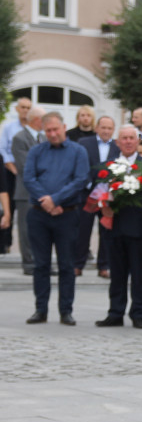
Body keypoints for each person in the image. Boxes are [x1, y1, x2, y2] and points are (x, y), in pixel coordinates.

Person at [23, 112, 89, 325]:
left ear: (64, 127)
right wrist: (46, 201)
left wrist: (56, 200)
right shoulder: (36, 151)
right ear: (44, 130)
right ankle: (40, 309)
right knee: (40, 265)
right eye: (48, 130)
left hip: (67, 215)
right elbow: (29, 178)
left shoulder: (78, 151)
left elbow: (80, 180)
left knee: (66, 265)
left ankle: (65, 311)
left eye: (55, 129)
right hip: (38, 215)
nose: (52, 134)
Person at [95, 126, 142, 330]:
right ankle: (115, 312)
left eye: (132, 138)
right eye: (124, 138)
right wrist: (103, 207)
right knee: (117, 274)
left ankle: (138, 313)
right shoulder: (108, 167)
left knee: (139, 275)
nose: (128, 142)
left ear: (137, 141)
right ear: (118, 142)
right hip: (114, 229)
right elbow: (98, 194)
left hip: (140, 231)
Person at [75, 115, 118, 277]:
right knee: (82, 230)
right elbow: (79, 165)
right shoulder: (84, 143)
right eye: (103, 127)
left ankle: (104, 266)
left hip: (108, 197)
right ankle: (78, 264)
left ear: (113, 130)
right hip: (87, 194)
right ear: (97, 128)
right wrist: (88, 185)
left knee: (106, 231)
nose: (106, 131)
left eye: (109, 128)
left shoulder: (118, 146)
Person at [11, 106, 45, 275]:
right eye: (44, 119)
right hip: (25, 192)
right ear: (36, 120)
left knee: (41, 229)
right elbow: (26, 167)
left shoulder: (44, 137)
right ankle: (29, 263)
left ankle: (40, 261)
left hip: (43, 191)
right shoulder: (19, 138)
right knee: (25, 228)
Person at [1, 97, 31, 254]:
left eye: (28, 107)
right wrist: (11, 167)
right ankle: (6, 242)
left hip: (28, 174)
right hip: (11, 172)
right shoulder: (9, 128)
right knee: (9, 207)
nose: (25, 110)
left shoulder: (34, 128)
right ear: (17, 109)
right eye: (23, 107)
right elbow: (3, 149)